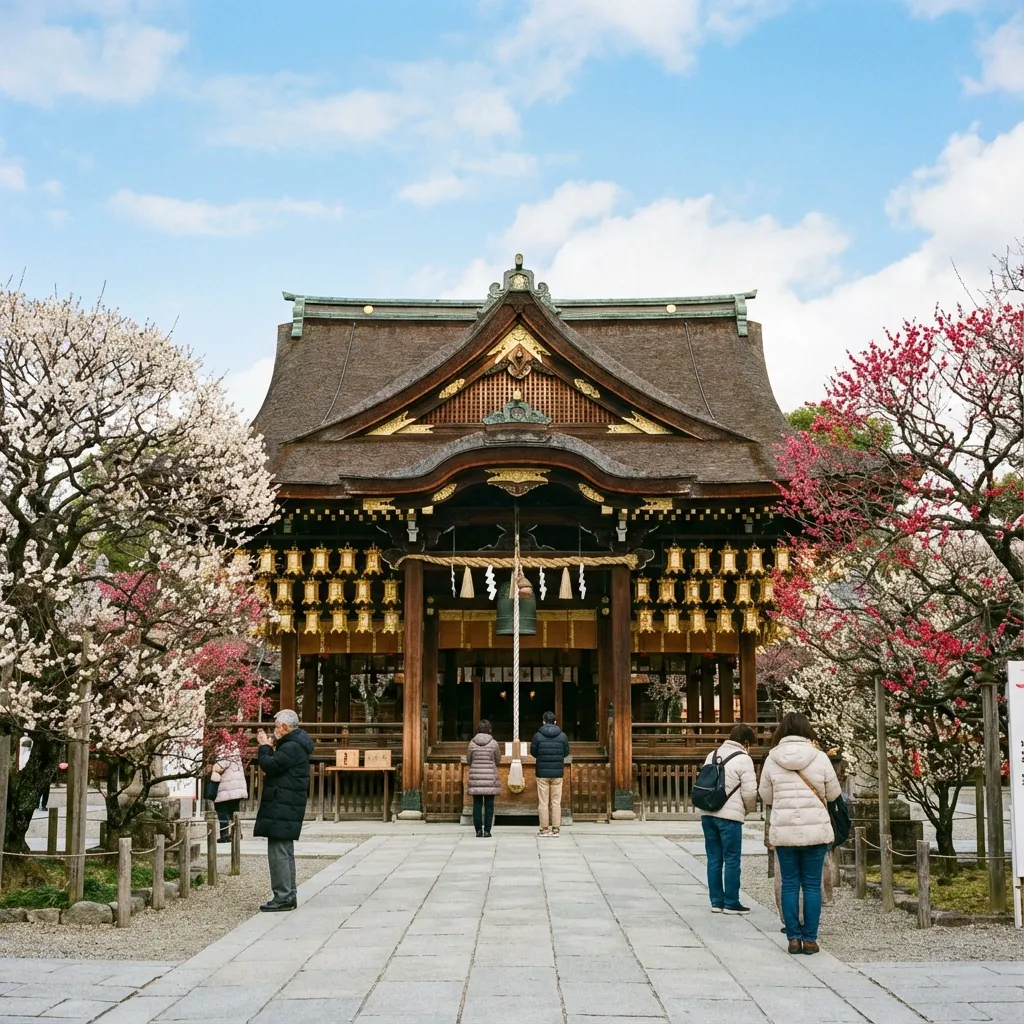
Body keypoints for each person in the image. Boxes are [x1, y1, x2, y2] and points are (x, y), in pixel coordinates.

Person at [758, 712, 841, 955]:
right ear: (807, 731)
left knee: (790, 885)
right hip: (815, 830)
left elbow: (766, 796)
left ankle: (793, 938)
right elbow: (834, 793)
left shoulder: (772, 760)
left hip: (784, 831)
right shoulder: (821, 758)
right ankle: (811, 939)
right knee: (813, 886)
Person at [253, 710, 313, 912]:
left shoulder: (291, 747)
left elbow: (270, 765)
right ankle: (288, 894)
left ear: (285, 727)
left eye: (277, 726)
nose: (274, 730)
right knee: (284, 851)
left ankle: (283, 896)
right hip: (285, 804)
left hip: (283, 805)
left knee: (279, 852)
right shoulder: (295, 745)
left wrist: (264, 747)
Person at [700, 723, 758, 915]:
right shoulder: (744, 759)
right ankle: (731, 902)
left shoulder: (712, 754)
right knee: (732, 859)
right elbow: (750, 793)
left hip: (708, 813)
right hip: (730, 816)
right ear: (746, 742)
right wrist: (747, 810)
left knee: (714, 858)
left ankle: (716, 901)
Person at [530, 711, 570, 837]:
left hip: (542, 772)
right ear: (555, 721)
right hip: (557, 772)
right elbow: (566, 752)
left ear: (543, 721)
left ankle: (544, 829)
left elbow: (533, 752)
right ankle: (556, 829)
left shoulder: (537, 736)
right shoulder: (562, 736)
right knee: (556, 802)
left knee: (543, 802)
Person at [466, 719, 501, 838]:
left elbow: (469, 760)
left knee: (477, 804)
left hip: (476, 777)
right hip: (490, 777)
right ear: (489, 729)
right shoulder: (494, 743)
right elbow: (498, 760)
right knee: (489, 805)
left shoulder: (472, 743)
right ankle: (487, 830)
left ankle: (478, 831)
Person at [211, 744, 249, 843]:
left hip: (226, 788)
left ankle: (225, 835)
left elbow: (218, 767)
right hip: (236, 789)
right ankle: (237, 832)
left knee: (222, 812)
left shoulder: (225, 752)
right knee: (234, 812)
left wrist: (212, 766)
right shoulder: (236, 754)